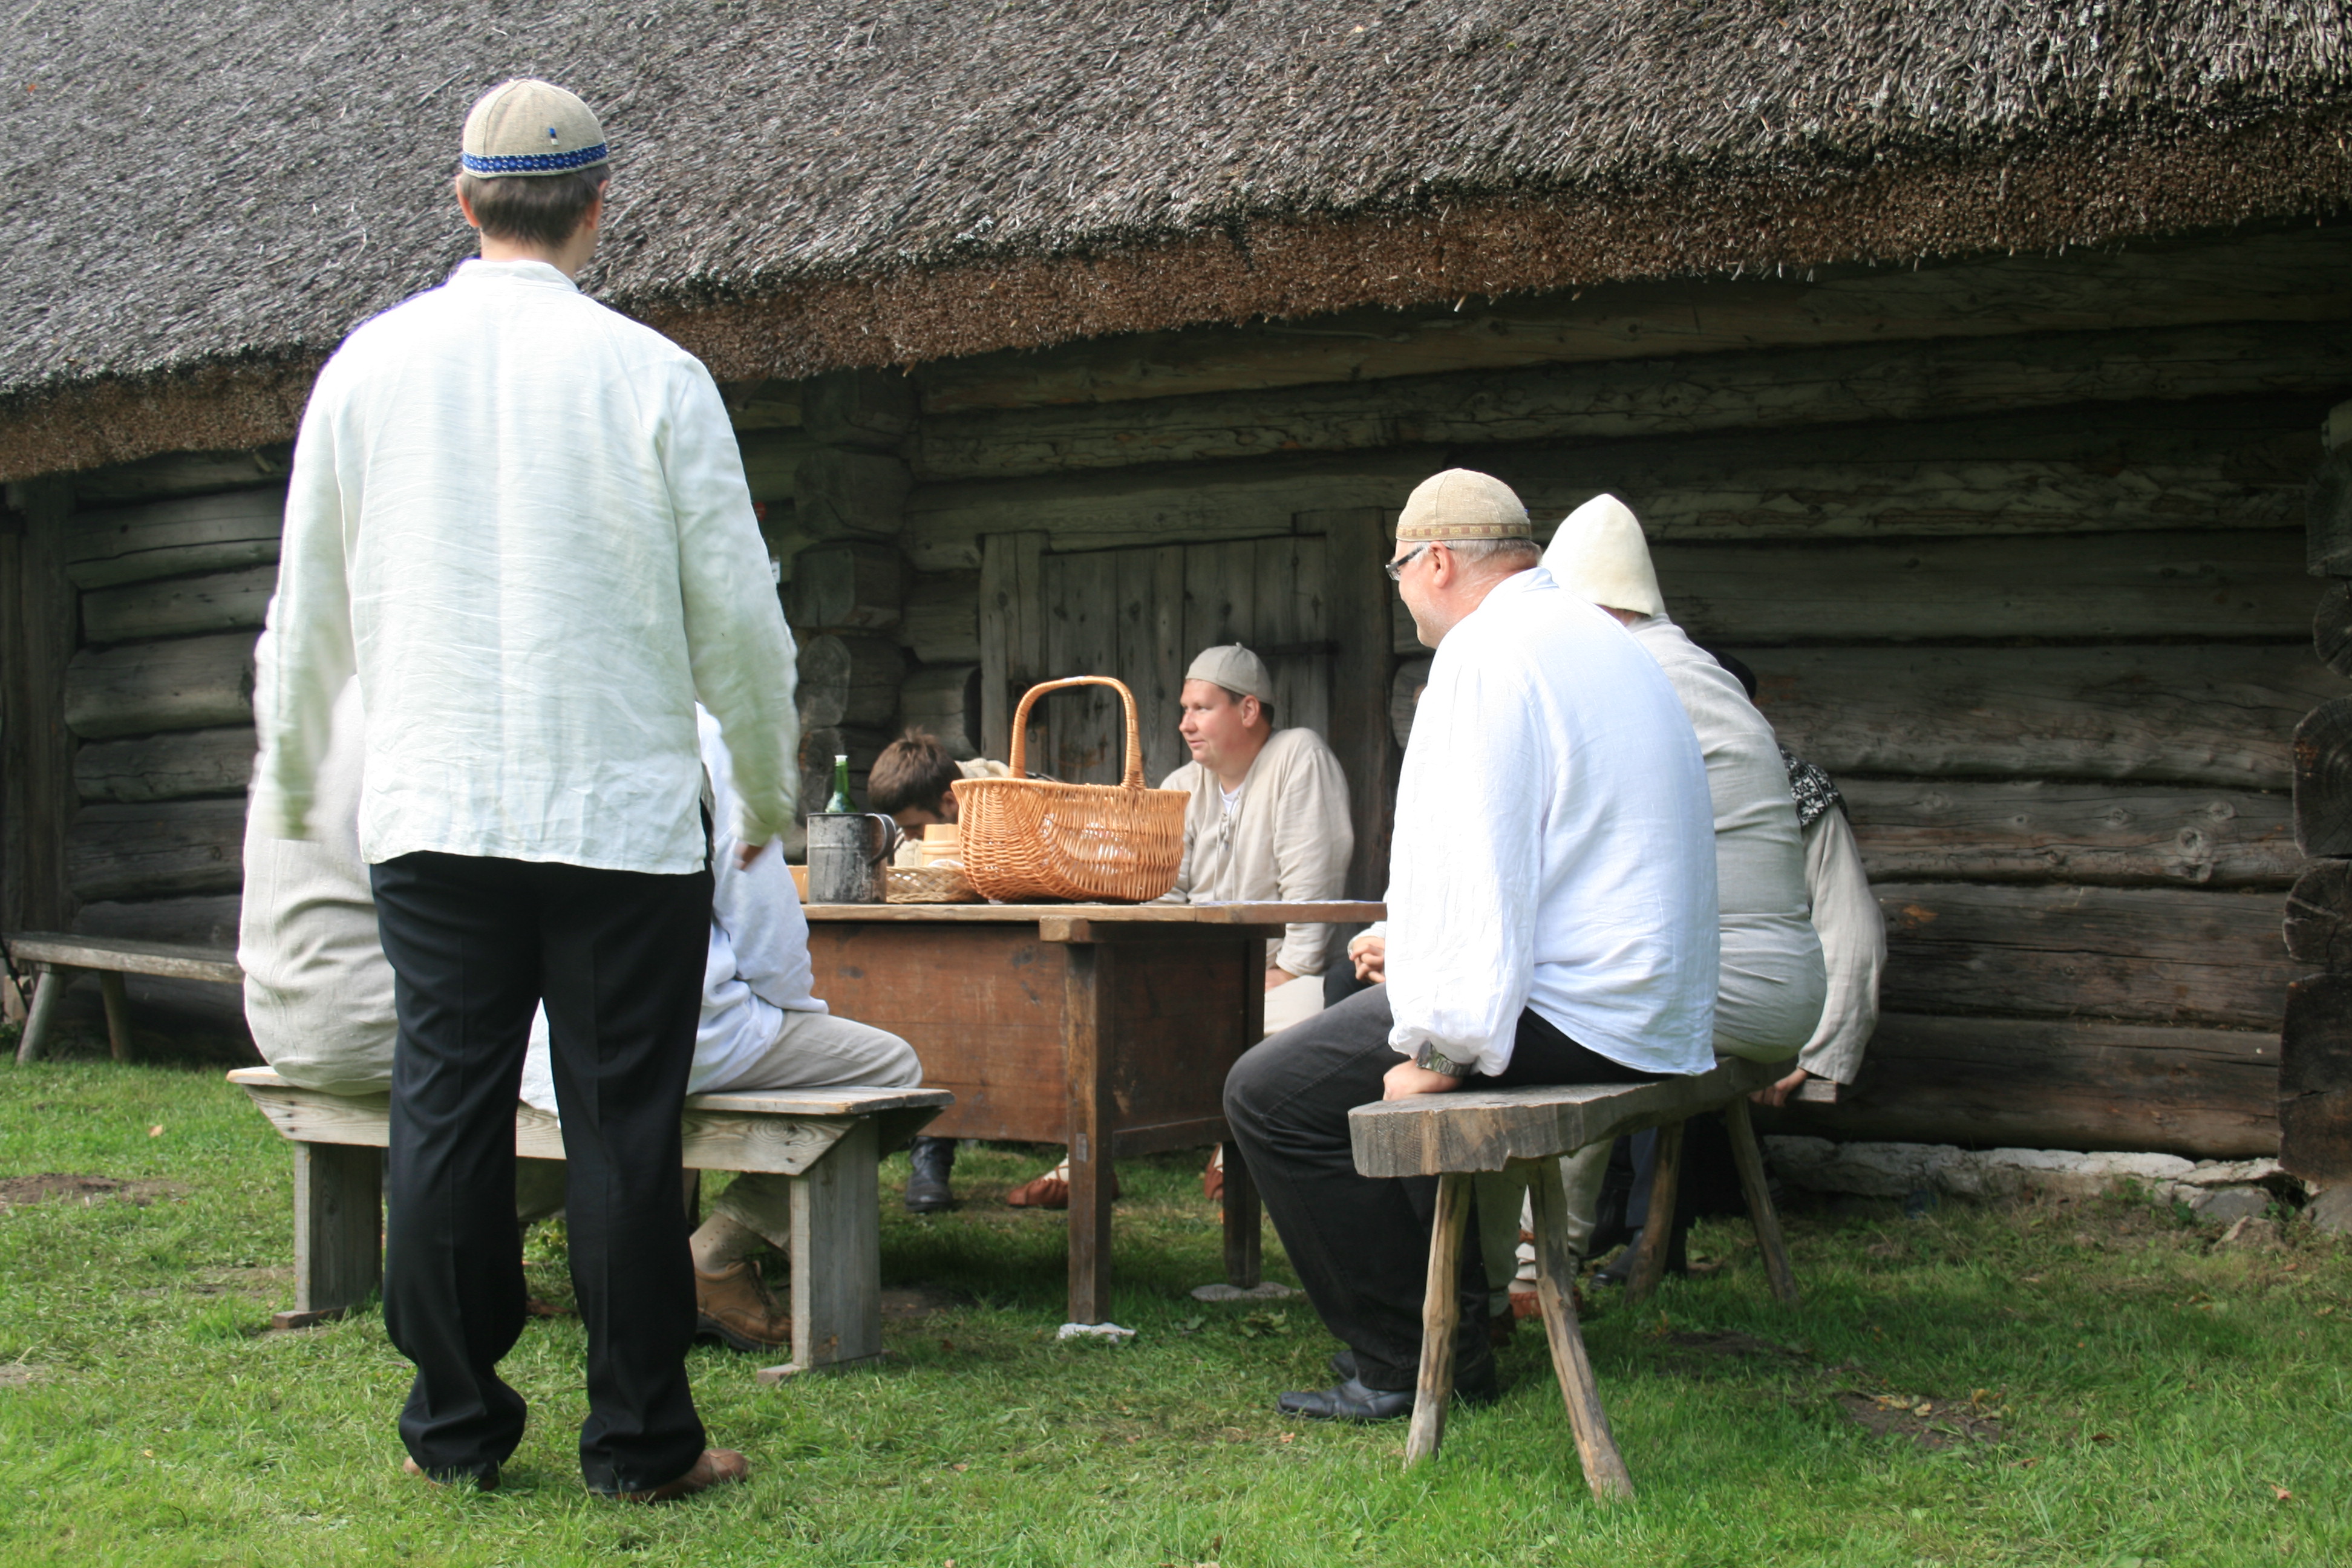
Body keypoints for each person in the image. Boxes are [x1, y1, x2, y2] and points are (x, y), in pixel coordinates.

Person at [253, 80, 794, 1501]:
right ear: (598, 207)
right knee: (623, 1126)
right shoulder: (655, 377)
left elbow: (307, 608)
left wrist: (305, 779)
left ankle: (453, 1426)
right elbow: (737, 616)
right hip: (617, 818)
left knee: (445, 1104)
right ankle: (637, 1444)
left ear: (463, 198)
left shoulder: (366, 370)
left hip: (433, 810)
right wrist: (768, 777)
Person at [1223, 468, 1719, 1422]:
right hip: (1648, 1011)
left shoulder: (1488, 653)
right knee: (1354, 1050)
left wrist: (1444, 1049)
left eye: (1399, 570)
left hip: (1584, 1013)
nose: (1401, 592)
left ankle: (1414, 1363)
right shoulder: (1593, 638)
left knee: (1271, 1095)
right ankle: (1451, 1331)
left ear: (1436, 561)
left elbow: (1480, 867)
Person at [517, 709, 924, 1353]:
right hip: (685, 1028)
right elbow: (760, 916)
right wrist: (788, 1009)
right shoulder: (702, 731)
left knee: (585, 1089)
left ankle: (496, 1233)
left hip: (552, 1022)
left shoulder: (544, 719)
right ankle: (713, 1254)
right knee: (894, 1070)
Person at [1527, 492, 1828, 1285]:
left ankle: (1524, 1270)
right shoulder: (1689, 667)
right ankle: (1526, 1263)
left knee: (1511, 1016)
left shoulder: (1632, 676)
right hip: (1773, 991)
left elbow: (1575, 867)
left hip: (1726, 990)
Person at [1005, 645, 1353, 1209]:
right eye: (1185, 709)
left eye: (1201, 708)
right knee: (1109, 1017)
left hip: (1286, 975)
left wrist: (1289, 968)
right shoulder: (1182, 783)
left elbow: (1314, 882)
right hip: (1201, 973)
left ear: (1248, 711)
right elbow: (1164, 891)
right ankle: (1089, 1164)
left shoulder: (1297, 758)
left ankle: (1235, 1141)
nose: (1185, 723)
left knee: (1277, 1027)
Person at [863, 728, 1013, 1213]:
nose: (907, 838)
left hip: (1016, 960)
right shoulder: (916, 828)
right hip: (952, 967)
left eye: (913, 828)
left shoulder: (1012, 803)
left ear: (950, 802)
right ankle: (930, 1153)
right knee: (924, 991)